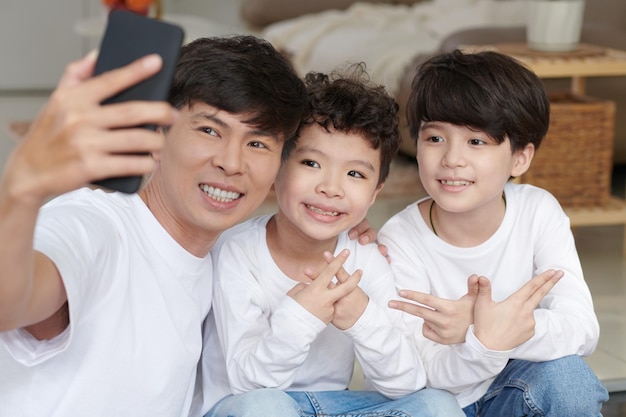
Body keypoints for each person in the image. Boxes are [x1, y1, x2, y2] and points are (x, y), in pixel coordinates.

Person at [0, 36, 375, 416]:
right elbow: (10, 301)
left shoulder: (220, 257)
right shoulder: (98, 224)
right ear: (157, 133)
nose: (232, 162)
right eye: (210, 130)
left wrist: (343, 224)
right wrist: (20, 192)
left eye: (258, 143)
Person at [198, 64, 463, 417]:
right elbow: (249, 386)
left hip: (332, 407)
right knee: (267, 408)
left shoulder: (366, 260)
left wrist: (363, 318)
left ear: (374, 194)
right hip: (248, 404)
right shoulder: (238, 252)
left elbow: (406, 383)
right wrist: (301, 316)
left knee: (436, 405)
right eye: (311, 163)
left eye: (355, 174)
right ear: (277, 169)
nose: (331, 188)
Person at [378, 49, 609, 416]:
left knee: (569, 378)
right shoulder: (400, 239)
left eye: (476, 142)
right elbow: (422, 370)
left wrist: (480, 324)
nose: (452, 159)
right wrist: (487, 345)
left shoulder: (538, 211)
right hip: (443, 401)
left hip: (517, 388)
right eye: (435, 138)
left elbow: (580, 329)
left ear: (520, 157)